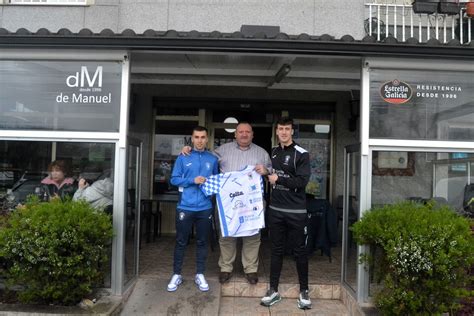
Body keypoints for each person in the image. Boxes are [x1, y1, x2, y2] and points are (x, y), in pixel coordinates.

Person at [182, 122, 271, 285]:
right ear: (235, 134)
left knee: (252, 236)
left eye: (247, 132)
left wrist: (266, 171)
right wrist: (189, 148)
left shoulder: (262, 153)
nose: (244, 135)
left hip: (252, 204)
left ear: (252, 134)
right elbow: (204, 160)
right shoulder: (221, 151)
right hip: (228, 204)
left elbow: (270, 173)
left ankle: (250, 269)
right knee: (227, 236)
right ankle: (226, 268)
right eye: (241, 132)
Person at [259, 117, 312, 310]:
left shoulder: (302, 154)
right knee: (276, 251)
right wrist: (265, 172)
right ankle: (273, 290)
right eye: (280, 128)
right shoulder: (273, 151)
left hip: (296, 212)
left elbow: (301, 182)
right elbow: (274, 174)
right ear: (276, 131)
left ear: (292, 131)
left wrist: (277, 179)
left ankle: (304, 291)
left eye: (287, 129)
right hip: (276, 211)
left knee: (299, 252)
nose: (283, 132)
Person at [167, 126, 219, 293]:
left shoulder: (212, 159)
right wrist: (192, 180)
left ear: (207, 138)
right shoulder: (183, 157)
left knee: (202, 242)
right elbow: (174, 180)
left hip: (205, 208)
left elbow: (217, 182)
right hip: (185, 207)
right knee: (181, 241)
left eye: (203, 137)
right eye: (196, 137)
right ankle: (176, 274)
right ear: (192, 138)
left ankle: (200, 273)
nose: (200, 140)